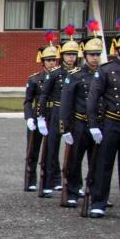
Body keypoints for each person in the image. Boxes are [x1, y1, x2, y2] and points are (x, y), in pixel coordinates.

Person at [59, 30, 101, 207]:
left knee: (97, 162)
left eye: (98, 55)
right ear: (84, 55)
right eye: (92, 55)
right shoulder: (75, 75)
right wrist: (65, 129)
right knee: (75, 161)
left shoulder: (104, 74)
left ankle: (95, 192)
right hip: (79, 124)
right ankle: (73, 192)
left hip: (98, 125)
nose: (95, 58)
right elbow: (66, 104)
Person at [37, 25, 80, 198]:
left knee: (75, 152)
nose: (71, 58)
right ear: (62, 56)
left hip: (74, 116)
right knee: (51, 150)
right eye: (68, 55)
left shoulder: (80, 73)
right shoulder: (54, 73)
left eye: (74, 55)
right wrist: (40, 116)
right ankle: (48, 182)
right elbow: (44, 95)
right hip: (56, 113)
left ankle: (73, 184)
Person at [85, 31, 120, 218]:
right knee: (103, 164)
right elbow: (93, 98)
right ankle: (98, 202)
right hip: (111, 122)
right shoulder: (106, 70)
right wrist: (93, 124)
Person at [23, 35, 59, 192]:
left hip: (53, 115)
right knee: (33, 150)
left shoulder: (60, 78)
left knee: (52, 149)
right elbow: (28, 101)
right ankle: (30, 180)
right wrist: (29, 117)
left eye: (54, 59)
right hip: (38, 116)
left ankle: (54, 179)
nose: (52, 62)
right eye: (48, 60)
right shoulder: (34, 79)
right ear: (42, 61)